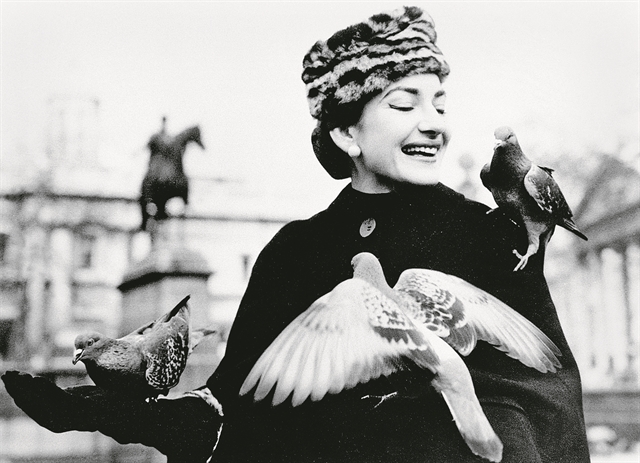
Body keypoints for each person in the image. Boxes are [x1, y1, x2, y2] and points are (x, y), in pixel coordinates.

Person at [3, 6, 590, 463]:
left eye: (439, 103)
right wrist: (128, 414)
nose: (434, 123)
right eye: (404, 104)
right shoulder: (294, 252)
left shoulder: (488, 234)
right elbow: (238, 412)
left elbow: (546, 396)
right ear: (346, 134)